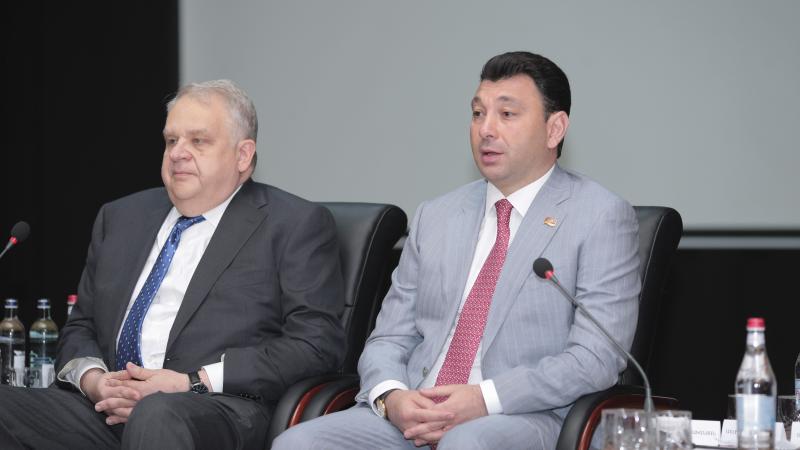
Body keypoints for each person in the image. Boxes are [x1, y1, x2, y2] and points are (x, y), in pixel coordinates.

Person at [273, 51, 641, 449]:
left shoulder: (599, 217)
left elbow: (595, 357)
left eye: (507, 114)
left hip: (525, 416)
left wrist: (485, 398)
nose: (486, 129)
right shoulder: (437, 216)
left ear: (555, 129)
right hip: (413, 414)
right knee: (299, 444)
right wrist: (392, 397)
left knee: (466, 443)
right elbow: (388, 339)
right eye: (478, 113)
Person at [0, 80, 346, 449]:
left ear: (243, 156)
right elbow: (81, 326)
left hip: (214, 408)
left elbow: (315, 344)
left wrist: (190, 382)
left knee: (158, 414)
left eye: (198, 141)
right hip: (106, 408)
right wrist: (96, 381)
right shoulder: (121, 217)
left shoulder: (292, 224)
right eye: (171, 140)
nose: (178, 153)